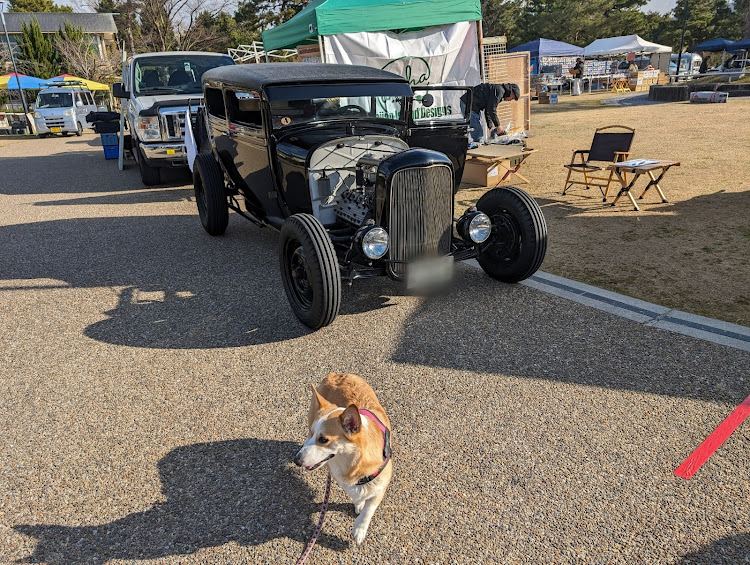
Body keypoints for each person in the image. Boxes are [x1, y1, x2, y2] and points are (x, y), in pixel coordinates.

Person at [468, 82, 519, 148]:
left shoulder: (499, 90)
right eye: (512, 98)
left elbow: (488, 110)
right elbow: (492, 110)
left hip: (472, 105)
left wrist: (490, 127)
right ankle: (478, 153)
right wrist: (498, 126)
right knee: (478, 133)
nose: (510, 100)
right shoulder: (499, 91)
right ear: (511, 93)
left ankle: (478, 152)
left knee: (479, 133)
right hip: (468, 104)